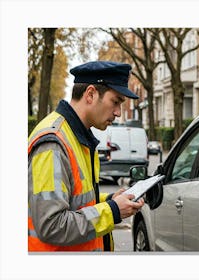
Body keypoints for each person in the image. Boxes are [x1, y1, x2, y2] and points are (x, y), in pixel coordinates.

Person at [28, 61, 145, 252]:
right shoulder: (53, 143)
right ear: (90, 94)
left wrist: (110, 200)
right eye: (115, 102)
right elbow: (51, 225)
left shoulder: (77, 136)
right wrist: (113, 211)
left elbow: (74, 201)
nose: (118, 112)